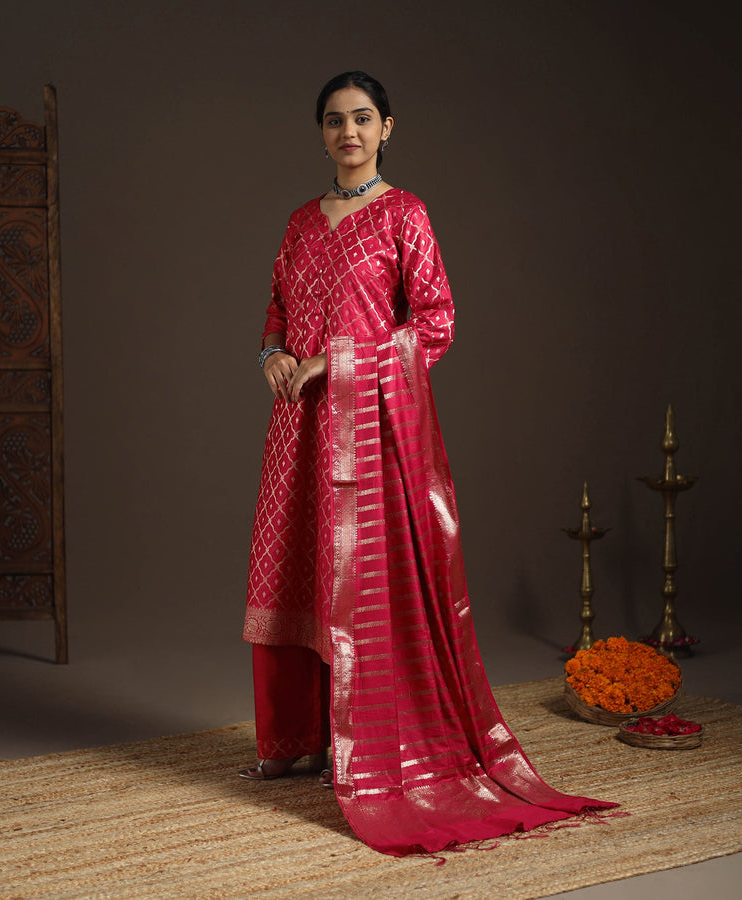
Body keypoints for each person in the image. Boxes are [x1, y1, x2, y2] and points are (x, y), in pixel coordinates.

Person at [241, 71, 616, 856]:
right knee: (292, 569)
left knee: (363, 583)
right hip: (298, 427)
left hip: (370, 433)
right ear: (320, 132)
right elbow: (277, 304)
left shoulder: (404, 214)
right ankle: (295, 741)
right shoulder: (301, 221)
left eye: (363, 118)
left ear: (388, 128)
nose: (349, 132)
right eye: (335, 120)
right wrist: (274, 353)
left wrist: (338, 362)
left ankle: (370, 749)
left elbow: (436, 323)